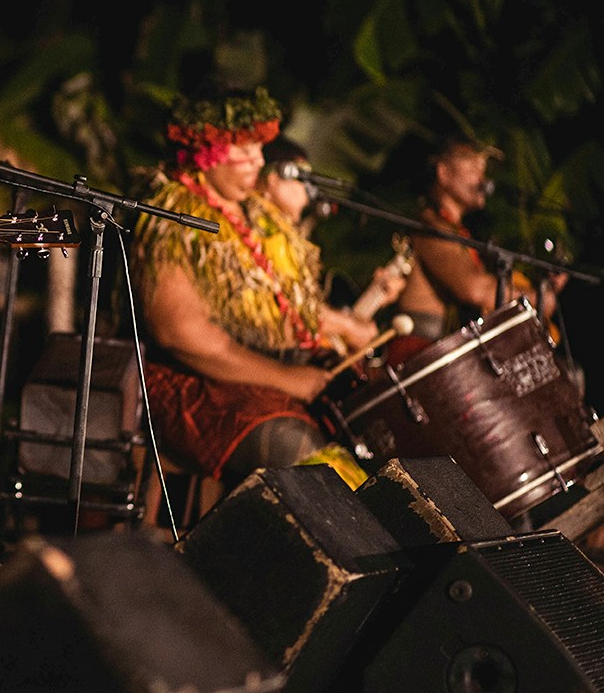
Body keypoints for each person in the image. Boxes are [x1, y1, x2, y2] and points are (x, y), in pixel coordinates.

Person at [129, 88, 369, 487]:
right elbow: (181, 335)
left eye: (261, 148)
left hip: (264, 376)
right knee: (298, 448)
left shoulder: (258, 215)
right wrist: (284, 378)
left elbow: (291, 308)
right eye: (247, 149)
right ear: (209, 151)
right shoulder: (174, 219)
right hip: (191, 385)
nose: (260, 161)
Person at [398, 134, 565, 341]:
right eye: (472, 169)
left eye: (483, 169)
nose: (483, 179)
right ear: (444, 173)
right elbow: (475, 289)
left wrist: (545, 286)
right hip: (418, 352)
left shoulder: (458, 231)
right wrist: (538, 297)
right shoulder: (429, 227)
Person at [258, 136, 407, 329]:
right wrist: (348, 327)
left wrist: (376, 298)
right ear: (273, 179)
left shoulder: (296, 239)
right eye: (303, 178)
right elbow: (285, 305)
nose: (309, 190)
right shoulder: (259, 230)